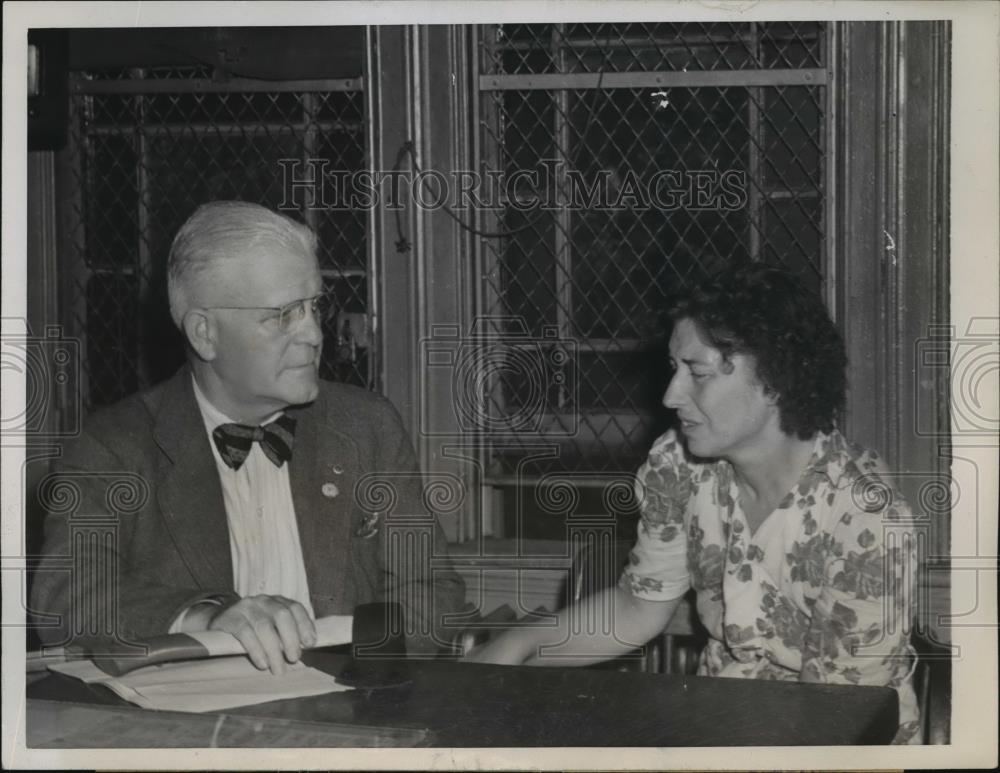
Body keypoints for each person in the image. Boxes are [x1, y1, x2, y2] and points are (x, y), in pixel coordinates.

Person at [465, 264, 921, 744]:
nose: (670, 394)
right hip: (725, 722)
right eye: (673, 368)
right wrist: (517, 643)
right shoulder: (678, 463)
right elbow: (637, 607)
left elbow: (835, 718)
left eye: (697, 372)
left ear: (776, 380)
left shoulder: (864, 516)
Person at [32, 201, 465, 673]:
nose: (314, 334)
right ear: (205, 333)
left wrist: (358, 674)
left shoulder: (368, 427)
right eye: (284, 315)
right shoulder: (111, 446)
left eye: (314, 306)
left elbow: (431, 593)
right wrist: (211, 617)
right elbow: (66, 597)